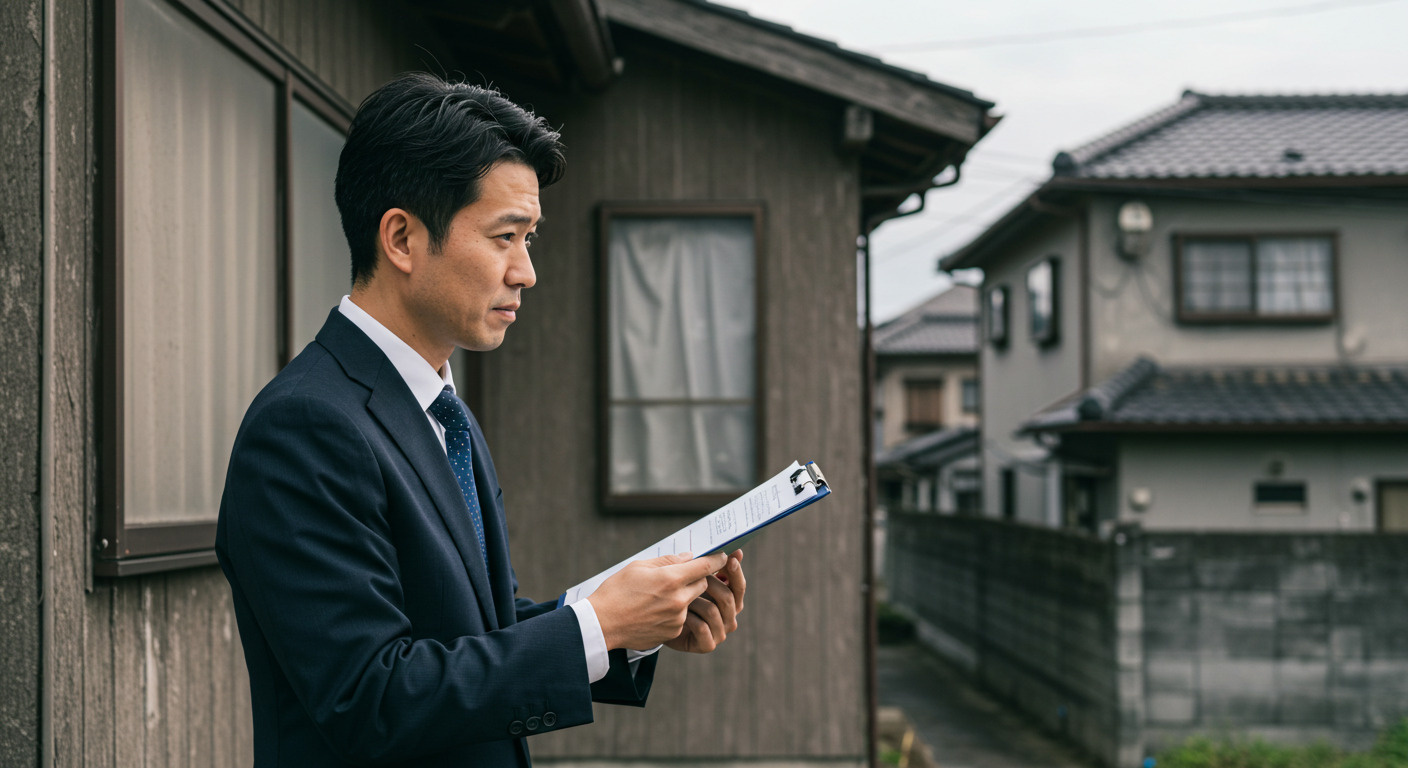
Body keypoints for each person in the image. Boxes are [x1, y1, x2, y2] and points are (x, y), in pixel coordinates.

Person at [215, 72, 747, 768]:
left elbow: (475, 629)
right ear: (402, 238)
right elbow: (371, 695)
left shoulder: (441, 410)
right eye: (505, 237)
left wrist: (632, 627)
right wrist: (596, 623)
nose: (526, 271)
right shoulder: (306, 427)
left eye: (530, 238)